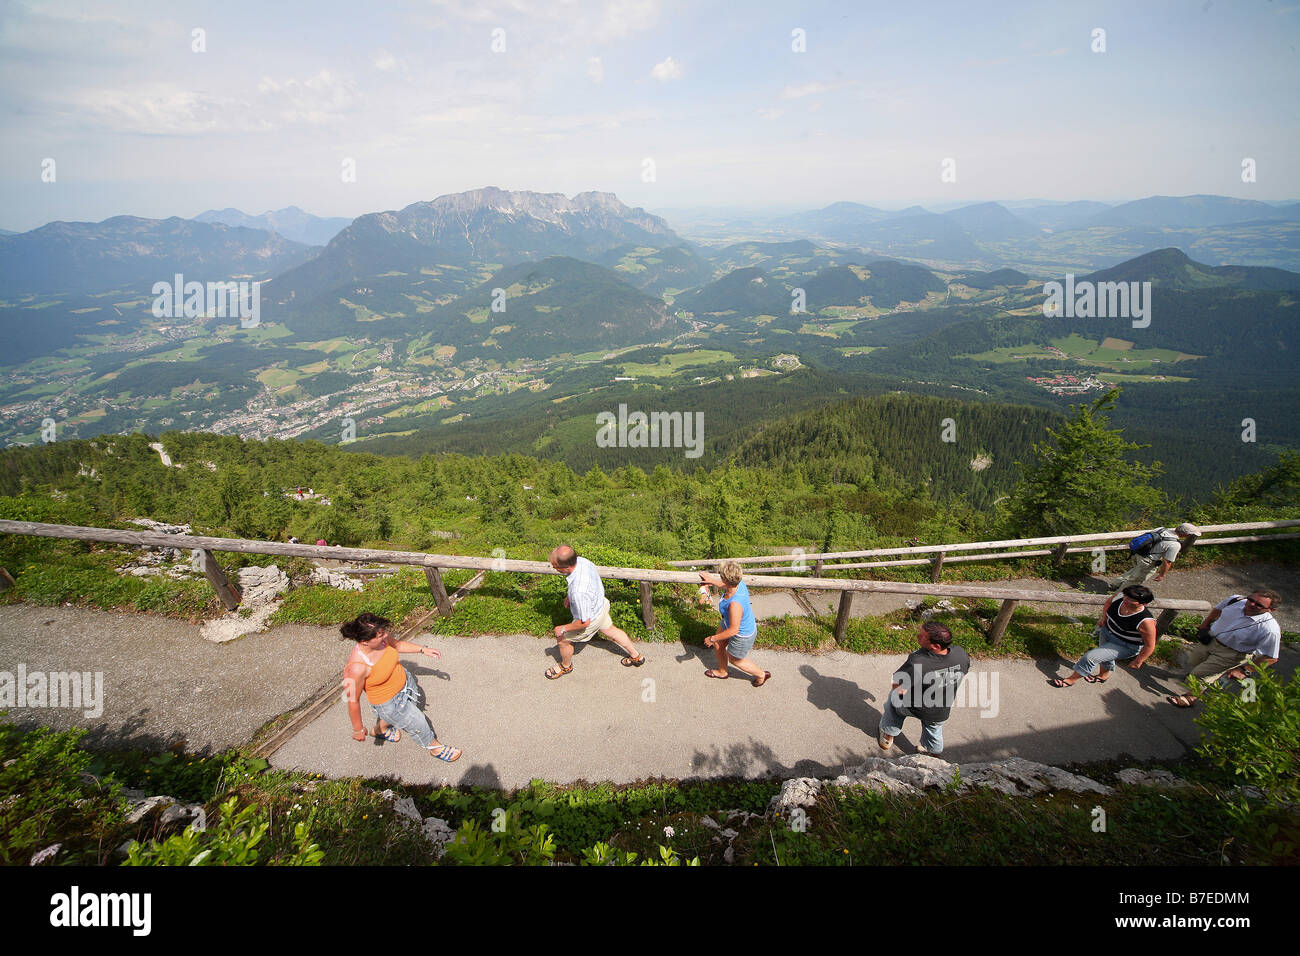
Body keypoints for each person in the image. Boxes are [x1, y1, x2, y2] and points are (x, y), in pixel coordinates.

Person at [340, 612, 461, 761]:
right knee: (419, 722)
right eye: (380, 635)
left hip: (405, 685)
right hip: (390, 703)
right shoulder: (355, 668)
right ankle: (435, 749)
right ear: (364, 641)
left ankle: (380, 730)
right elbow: (352, 700)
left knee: (399, 717)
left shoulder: (381, 638)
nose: (385, 636)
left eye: (383, 632)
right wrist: (357, 729)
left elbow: (397, 645)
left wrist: (423, 649)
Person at [1167, 590, 1282, 708]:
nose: (1251, 604)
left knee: (1200, 674)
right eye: (1251, 599)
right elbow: (1218, 609)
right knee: (1193, 661)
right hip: (1210, 639)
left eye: (1258, 605)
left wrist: (1244, 670)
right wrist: (1205, 624)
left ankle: (1190, 697)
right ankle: (1213, 679)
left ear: (1271, 610)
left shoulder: (1270, 629)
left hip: (1232, 654)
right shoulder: (1236, 600)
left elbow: (1271, 657)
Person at [544, 545, 645, 678]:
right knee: (611, 630)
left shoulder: (578, 591)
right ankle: (636, 656)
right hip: (601, 605)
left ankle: (565, 666)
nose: (554, 567)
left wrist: (562, 628)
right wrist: (569, 596)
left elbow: (584, 622)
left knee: (563, 640)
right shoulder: (582, 561)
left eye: (555, 565)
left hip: (591, 618)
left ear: (566, 567)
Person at [878, 622, 969, 755]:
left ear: (936, 646)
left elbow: (899, 684)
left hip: (915, 707)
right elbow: (963, 673)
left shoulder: (919, 661)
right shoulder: (960, 654)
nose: (917, 636)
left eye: (922, 636)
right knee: (934, 729)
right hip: (941, 709)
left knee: (893, 702)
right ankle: (932, 752)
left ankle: (888, 735)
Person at [1050, 585, 1157, 687]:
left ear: (1143, 604)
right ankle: (1103, 676)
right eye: (1126, 596)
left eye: (1130, 599)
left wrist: (1138, 661)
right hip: (1107, 632)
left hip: (1125, 645)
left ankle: (1070, 680)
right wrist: (1104, 618)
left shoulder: (1146, 622)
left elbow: (1150, 645)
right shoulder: (1120, 597)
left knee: (1091, 657)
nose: (1125, 599)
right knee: (1105, 657)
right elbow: (1108, 603)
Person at [698, 561, 769, 686]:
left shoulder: (735, 604)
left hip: (742, 633)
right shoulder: (738, 583)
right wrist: (711, 580)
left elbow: (733, 630)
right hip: (729, 621)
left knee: (735, 660)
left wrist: (712, 638)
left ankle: (761, 674)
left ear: (725, 578)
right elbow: (726, 586)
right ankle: (722, 672)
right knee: (719, 645)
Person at [1114, 522, 1199, 588]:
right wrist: (1162, 575)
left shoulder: (1161, 529)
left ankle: (1116, 583)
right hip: (1147, 561)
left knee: (1136, 570)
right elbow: (1167, 562)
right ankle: (1120, 594)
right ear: (1186, 534)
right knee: (1137, 579)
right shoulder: (1175, 545)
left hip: (1137, 553)